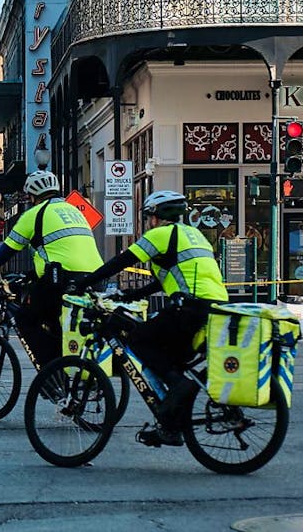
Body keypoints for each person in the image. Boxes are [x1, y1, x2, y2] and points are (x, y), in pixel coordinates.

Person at [69, 190, 228, 447]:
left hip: (187, 308)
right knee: (164, 360)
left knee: (137, 339)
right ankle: (170, 422)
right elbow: (168, 275)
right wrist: (136, 293)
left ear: (156, 216)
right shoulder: (195, 235)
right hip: (214, 308)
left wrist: (83, 283)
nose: (148, 221)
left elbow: (121, 261)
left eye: (149, 216)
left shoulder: (160, 235)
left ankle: (179, 389)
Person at [0, 170, 103, 367]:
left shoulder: (34, 214)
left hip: (64, 279)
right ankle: (71, 368)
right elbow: (60, 249)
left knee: (25, 319)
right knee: (60, 325)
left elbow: (7, 250)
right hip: (96, 276)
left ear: (33, 195)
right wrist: (30, 275)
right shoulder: (74, 210)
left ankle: (51, 371)